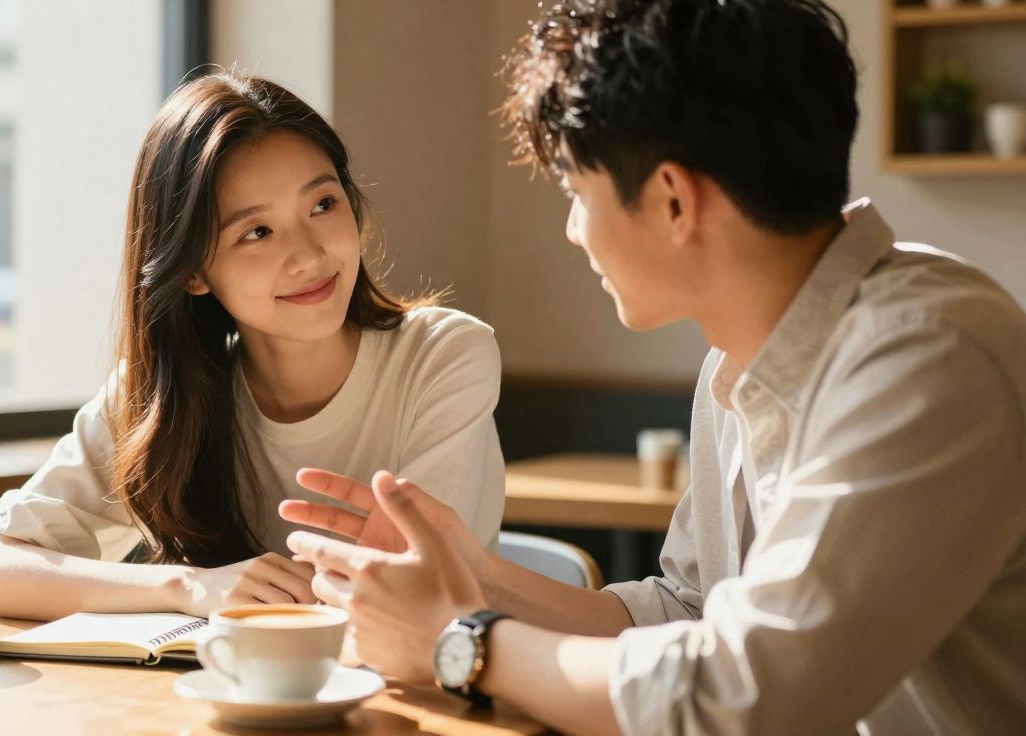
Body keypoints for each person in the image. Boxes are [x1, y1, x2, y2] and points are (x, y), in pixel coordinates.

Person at [281, 1, 1026, 734]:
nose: (574, 232)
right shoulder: (738, 361)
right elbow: (689, 613)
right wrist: (466, 573)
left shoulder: (927, 357)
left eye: (577, 194)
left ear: (673, 200)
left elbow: (745, 696)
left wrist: (462, 644)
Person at [0, 71, 505, 621]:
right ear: (194, 270)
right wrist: (188, 587)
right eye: (256, 233)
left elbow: (417, 591)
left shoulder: (445, 355)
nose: (310, 256)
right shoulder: (158, 395)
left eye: (322, 204)